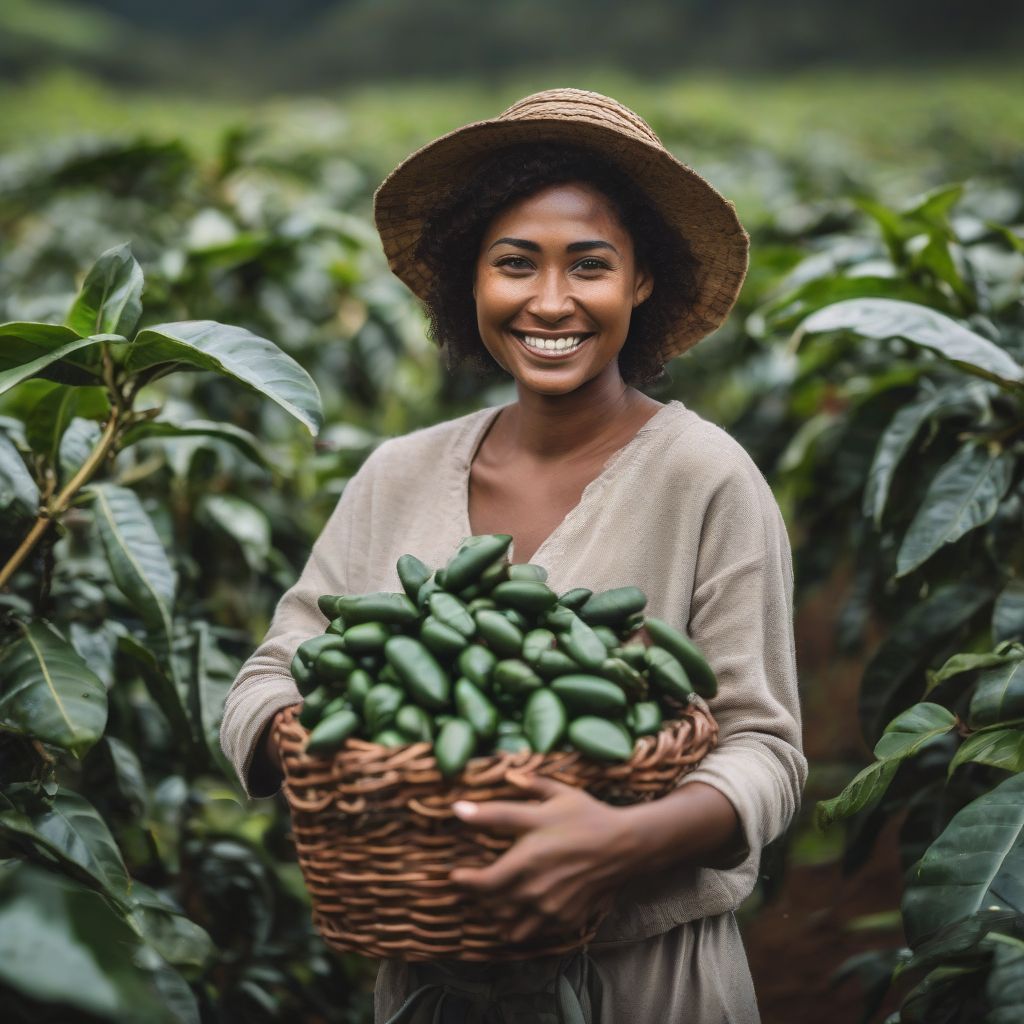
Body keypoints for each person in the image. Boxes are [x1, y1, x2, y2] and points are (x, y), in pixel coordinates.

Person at [219, 88, 806, 1023]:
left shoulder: (706, 477)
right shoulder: (396, 473)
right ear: (471, 280)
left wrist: (622, 840)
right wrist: (327, 753)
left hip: (649, 984)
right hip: (431, 987)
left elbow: (766, 753)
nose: (550, 300)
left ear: (641, 281)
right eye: (514, 264)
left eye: (589, 266)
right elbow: (267, 677)